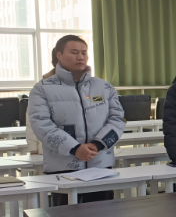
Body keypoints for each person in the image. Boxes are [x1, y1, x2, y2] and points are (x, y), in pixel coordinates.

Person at [28, 35, 125, 203]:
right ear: (59, 55)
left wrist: (98, 144)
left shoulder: (103, 86)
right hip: (62, 169)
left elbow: (118, 119)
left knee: (104, 216)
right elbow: (42, 125)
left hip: (100, 164)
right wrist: (74, 148)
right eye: (74, 52)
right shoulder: (42, 89)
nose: (80, 57)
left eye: (84, 52)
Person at [27, 50, 59, 154]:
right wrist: (33, 148)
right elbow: (32, 122)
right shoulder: (41, 88)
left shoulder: (86, 86)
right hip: (46, 150)